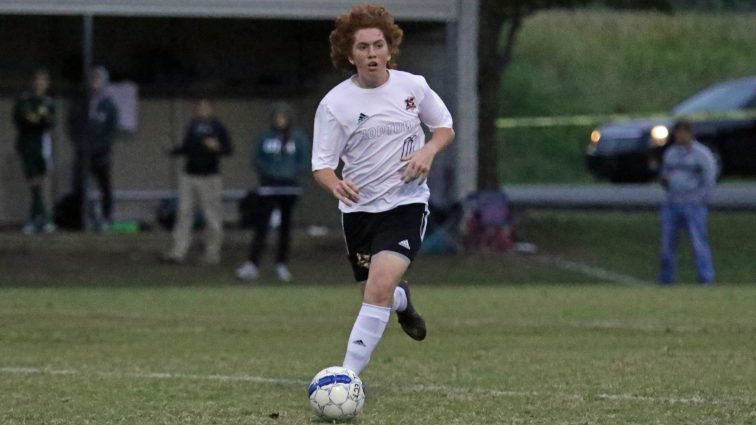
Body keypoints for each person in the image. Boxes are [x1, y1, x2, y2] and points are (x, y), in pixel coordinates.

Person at [311, 4, 455, 376]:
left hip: (406, 204)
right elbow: (321, 165)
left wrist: (428, 150)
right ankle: (402, 301)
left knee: (377, 288)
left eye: (378, 45)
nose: (372, 54)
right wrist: (335, 184)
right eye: (363, 47)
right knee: (377, 294)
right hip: (359, 212)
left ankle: (346, 378)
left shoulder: (413, 87)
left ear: (390, 49)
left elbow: (444, 128)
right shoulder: (335, 104)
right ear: (349, 54)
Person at [236, 102, 310, 282]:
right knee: (262, 226)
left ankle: (281, 264)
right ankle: (252, 264)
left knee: (285, 228)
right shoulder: (265, 137)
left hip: (289, 189)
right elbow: (257, 160)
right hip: (268, 188)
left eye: (283, 116)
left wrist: (288, 173)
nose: (280, 120)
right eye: (277, 117)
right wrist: (272, 173)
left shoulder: (298, 138)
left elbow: (304, 160)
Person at [162, 99, 233, 265]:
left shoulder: (218, 127)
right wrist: (172, 150)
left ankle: (212, 254)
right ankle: (178, 251)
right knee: (184, 212)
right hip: (189, 175)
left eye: (205, 108)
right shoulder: (192, 126)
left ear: (212, 110)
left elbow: (229, 149)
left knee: (211, 216)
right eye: (199, 108)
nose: (202, 111)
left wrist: (217, 147)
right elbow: (187, 148)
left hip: (209, 176)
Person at [658, 119, 717, 285]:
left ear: (691, 134)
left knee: (699, 244)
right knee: (667, 245)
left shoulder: (702, 154)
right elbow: (665, 175)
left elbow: (709, 179)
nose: (680, 136)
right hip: (672, 204)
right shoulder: (670, 153)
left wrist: (701, 199)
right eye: (677, 133)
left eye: (683, 132)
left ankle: (706, 278)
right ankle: (666, 279)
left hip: (694, 205)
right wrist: (664, 181)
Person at [67, 65, 120, 230]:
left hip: (101, 154)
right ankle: (87, 218)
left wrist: (100, 145)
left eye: (98, 79)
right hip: (83, 153)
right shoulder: (81, 103)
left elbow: (113, 131)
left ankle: (106, 218)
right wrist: (80, 143)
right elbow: (71, 124)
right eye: (92, 79)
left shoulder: (109, 105)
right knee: (79, 186)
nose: (94, 83)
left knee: (105, 186)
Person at [13, 69, 56, 234]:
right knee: (33, 180)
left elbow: (48, 123)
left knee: (41, 180)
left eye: (44, 80)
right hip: (27, 144)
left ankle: (36, 218)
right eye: (38, 80)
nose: (40, 83)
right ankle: (42, 218)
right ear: (33, 82)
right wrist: (37, 119)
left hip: (43, 144)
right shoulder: (24, 100)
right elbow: (22, 120)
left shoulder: (49, 102)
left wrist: (38, 120)